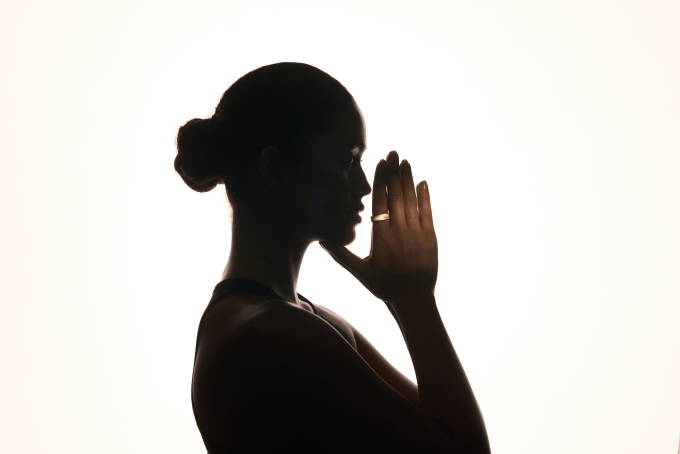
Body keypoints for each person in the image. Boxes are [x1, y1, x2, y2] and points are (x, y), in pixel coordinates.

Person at [175, 62, 491, 453]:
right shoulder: (272, 334)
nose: (363, 186)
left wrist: (408, 295)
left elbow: (441, 430)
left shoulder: (306, 319)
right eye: (346, 160)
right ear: (275, 169)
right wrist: (413, 300)